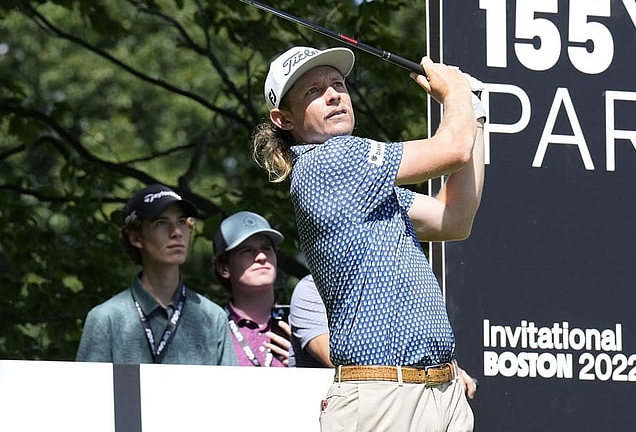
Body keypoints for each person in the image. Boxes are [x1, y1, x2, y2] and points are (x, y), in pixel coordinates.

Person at [252, 45, 486, 431]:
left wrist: (473, 115)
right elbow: (453, 150)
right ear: (284, 119)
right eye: (313, 91)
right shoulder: (329, 162)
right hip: (381, 397)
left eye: (337, 84)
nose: (332, 95)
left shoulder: (366, 182)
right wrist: (455, 94)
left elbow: (454, 219)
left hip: (441, 391)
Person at [76, 183, 235, 365]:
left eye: (182, 222)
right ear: (136, 237)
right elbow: (89, 393)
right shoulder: (106, 318)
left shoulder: (213, 317)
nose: (176, 232)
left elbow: (229, 393)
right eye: (161, 223)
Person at [289, 274, 479, 399]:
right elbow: (342, 360)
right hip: (335, 411)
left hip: (390, 401)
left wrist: (445, 373)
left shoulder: (390, 287)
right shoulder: (311, 289)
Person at [212, 211, 291, 367]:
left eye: (267, 248)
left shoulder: (302, 323)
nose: (261, 257)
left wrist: (306, 367)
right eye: (247, 250)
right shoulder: (212, 329)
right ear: (224, 268)